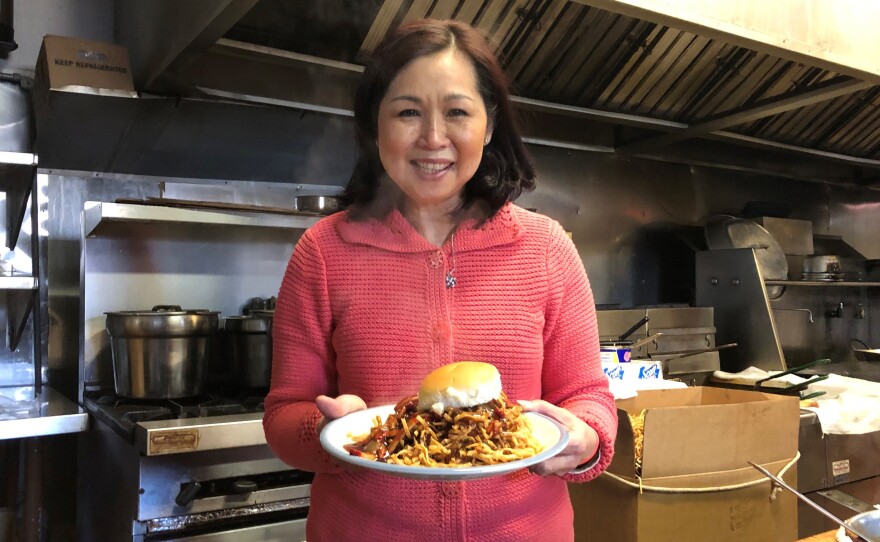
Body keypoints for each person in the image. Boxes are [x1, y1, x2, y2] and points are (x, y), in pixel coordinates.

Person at [264, 19, 617, 542]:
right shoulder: (323, 251)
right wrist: (329, 432)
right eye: (408, 112)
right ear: (375, 125)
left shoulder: (546, 248)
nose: (433, 138)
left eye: (457, 112)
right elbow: (282, 414)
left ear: (489, 125)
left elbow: (588, 395)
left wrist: (585, 438)